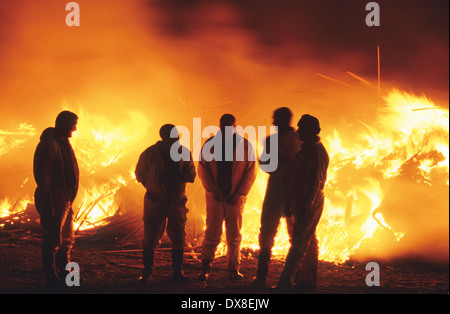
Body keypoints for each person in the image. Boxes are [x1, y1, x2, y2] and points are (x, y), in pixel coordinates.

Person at [197, 114, 257, 281]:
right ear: (220, 126)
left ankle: (233, 269)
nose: (227, 129)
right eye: (224, 126)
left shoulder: (245, 146)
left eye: (230, 126)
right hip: (215, 196)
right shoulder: (209, 145)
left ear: (235, 127)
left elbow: (251, 172)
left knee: (234, 234)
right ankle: (206, 268)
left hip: (235, 197)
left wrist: (239, 193)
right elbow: (202, 169)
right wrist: (212, 190)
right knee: (212, 232)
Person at [135, 124, 196, 284]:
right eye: (173, 134)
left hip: (176, 201)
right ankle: (147, 273)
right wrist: (152, 188)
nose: (176, 137)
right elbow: (140, 174)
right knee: (151, 236)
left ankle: (177, 272)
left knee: (179, 236)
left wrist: (178, 179)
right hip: (156, 201)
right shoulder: (150, 153)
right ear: (165, 136)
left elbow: (191, 174)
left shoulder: (184, 153)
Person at [274, 114, 329, 291]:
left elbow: (313, 182)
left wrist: (305, 205)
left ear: (313, 131)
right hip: (305, 201)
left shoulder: (315, 152)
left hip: (309, 202)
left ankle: (285, 283)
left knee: (298, 243)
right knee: (309, 240)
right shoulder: (308, 149)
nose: (298, 131)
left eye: (302, 128)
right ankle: (308, 281)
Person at [252, 107, 301, 287]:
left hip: (289, 190)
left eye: (276, 119)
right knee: (272, 231)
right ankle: (264, 275)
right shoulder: (287, 140)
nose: (273, 122)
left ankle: (270, 276)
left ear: (284, 120)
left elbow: (267, 165)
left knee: (291, 233)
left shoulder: (297, 140)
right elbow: (266, 165)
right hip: (278, 189)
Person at [33, 110, 79, 287]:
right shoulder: (49, 144)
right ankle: (50, 276)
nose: (75, 129)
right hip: (55, 198)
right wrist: (48, 200)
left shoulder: (63, 143)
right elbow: (42, 174)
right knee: (53, 238)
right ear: (64, 124)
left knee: (67, 238)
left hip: (66, 198)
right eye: (73, 124)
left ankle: (65, 273)